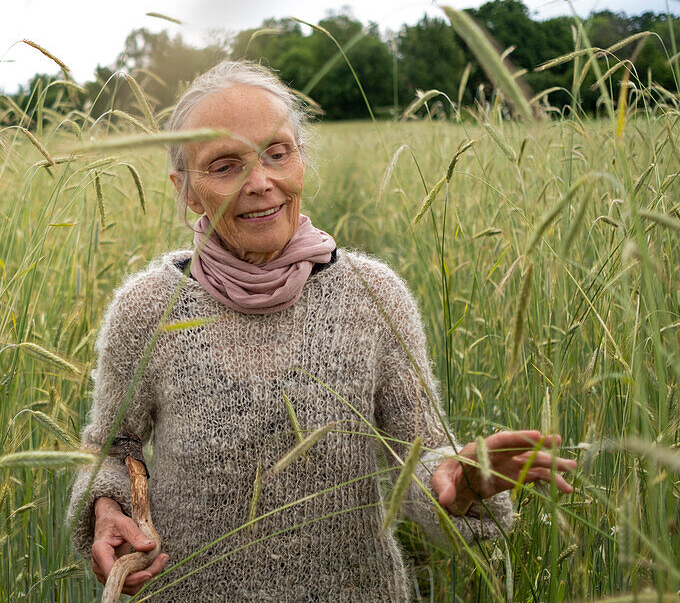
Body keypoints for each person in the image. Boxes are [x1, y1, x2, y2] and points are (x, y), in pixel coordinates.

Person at [66, 61, 577, 601]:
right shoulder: (148, 306)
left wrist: (460, 485)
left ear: (300, 161)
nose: (260, 182)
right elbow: (111, 446)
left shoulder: (372, 295)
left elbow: (420, 457)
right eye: (224, 165)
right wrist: (105, 508)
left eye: (277, 153)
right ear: (186, 188)